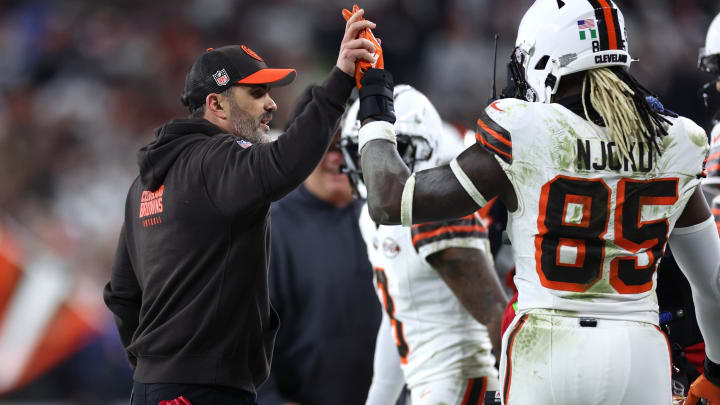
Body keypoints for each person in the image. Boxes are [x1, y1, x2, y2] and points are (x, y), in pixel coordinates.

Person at [354, 1, 720, 404]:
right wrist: (717, 374)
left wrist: (374, 100)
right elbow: (713, 283)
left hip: (546, 349)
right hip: (639, 353)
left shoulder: (524, 130)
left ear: (545, 59)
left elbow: (390, 200)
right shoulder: (674, 141)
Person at [103, 9, 380, 405]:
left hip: (157, 388)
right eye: (255, 93)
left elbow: (122, 294)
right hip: (204, 389)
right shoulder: (217, 160)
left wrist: (157, 367)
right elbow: (285, 164)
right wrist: (339, 80)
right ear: (215, 104)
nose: (270, 104)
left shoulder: (143, 184)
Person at [341, 85, 507, 405]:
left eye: (392, 149)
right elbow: (400, 317)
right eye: (365, 150)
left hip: (461, 380)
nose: (376, 164)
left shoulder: (436, 212)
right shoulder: (368, 218)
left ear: (423, 147)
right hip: (428, 383)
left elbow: (495, 314)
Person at [257, 86, 381, 405]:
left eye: (350, 144)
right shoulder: (270, 227)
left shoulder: (386, 222)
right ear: (302, 146)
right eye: (327, 144)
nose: (338, 157)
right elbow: (245, 339)